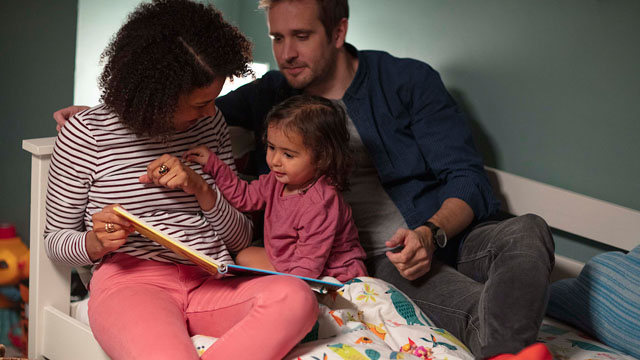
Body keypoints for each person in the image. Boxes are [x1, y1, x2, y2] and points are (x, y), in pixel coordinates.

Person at [53, 0, 555, 358]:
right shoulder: (265, 95)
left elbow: (468, 180)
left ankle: (543, 311)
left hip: (439, 231)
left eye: (302, 36)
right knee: (478, 311)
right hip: (378, 259)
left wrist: (431, 231)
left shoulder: (406, 81)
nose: (286, 52)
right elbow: (175, 109)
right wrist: (108, 114)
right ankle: (516, 343)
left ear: (337, 31)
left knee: (528, 229)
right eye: (276, 38)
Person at [45, 1, 317, 359]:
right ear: (154, 95)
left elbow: (238, 239)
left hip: (211, 280)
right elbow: (55, 243)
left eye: (213, 100)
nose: (210, 112)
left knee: (297, 299)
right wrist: (96, 244)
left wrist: (202, 190)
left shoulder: (211, 124)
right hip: (132, 283)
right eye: (198, 104)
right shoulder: (86, 135)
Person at [184, 94, 367, 282]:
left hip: (332, 273)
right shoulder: (276, 180)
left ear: (322, 158)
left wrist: (284, 286)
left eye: (288, 155)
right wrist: (215, 166)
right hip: (289, 261)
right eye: (271, 148)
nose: (275, 161)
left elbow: (309, 266)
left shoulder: (322, 202)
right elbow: (244, 197)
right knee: (244, 256)